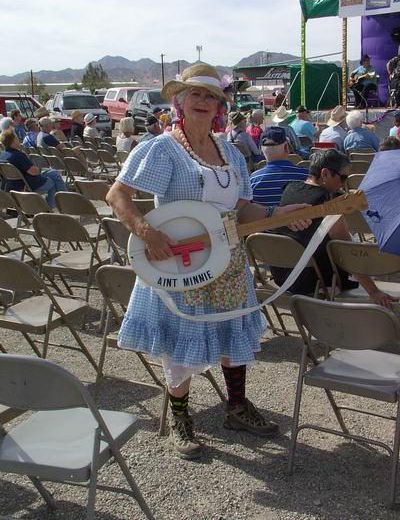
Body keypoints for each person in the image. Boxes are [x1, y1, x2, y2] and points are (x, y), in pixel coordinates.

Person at [106, 63, 311, 459]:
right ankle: (181, 419)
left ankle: (237, 407)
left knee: (231, 331)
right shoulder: (161, 148)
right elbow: (117, 196)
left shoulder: (231, 151)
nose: (203, 102)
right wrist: (148, 234)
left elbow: (244, 208)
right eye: (195, 94)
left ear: (219, 105)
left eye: (211, 96)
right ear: (180, 101)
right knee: (180, 343)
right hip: (181, 262)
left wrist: (284, 214)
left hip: (227, 261)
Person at [270, 149, 395, 309]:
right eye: (342, 177)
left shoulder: (290, 188)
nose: (344, 183)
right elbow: (347, 253)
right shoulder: (330, 203)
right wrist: (373, 291)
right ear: (325, 173)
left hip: (283, 274)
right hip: (312, 280)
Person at [0, 128, 67, 208]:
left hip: (11, 184)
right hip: (28, 184)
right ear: (13, 141)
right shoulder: (18, 155)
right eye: (17, 139)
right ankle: (54, 205)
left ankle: (59, 202)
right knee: (53, 180)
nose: (18, 140)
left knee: (54, 173)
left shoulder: (2, 155)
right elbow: (33, 172)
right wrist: (40, 169)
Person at [250, 126, 309, 207]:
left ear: (261, 150)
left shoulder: (253, 179)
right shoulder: (306, 176)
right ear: (286, 147)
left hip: (266, 219)